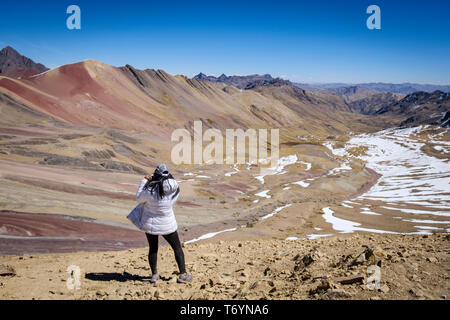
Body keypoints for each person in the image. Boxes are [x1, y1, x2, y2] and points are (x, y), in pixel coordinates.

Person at [135, 164, 192, 283]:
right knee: (177, 247)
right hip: (167, 223)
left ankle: (154, 275)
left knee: (153, 249)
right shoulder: (174, 188)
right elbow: (172, 200)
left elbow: (139, 198)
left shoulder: (150, 190)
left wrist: (145, 180)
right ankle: (183, 274)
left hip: (150, 223)